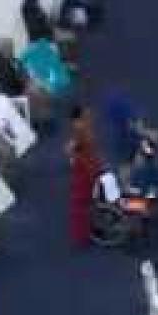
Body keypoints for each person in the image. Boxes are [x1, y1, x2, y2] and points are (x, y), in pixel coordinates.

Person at [67, 105, 103, 247]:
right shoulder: (82, 128)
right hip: (89, 167)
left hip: (86, 168)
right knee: (84, 202)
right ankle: (85, 232)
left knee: (82, 203)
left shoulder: (80, 129)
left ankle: (84, 233)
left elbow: (73, 149)